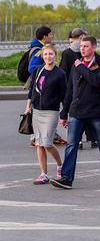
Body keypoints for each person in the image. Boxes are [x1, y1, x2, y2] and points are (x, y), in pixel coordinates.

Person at [52, 35, 100, 189]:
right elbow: (70, 90)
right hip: (77, 111)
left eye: (86, 46)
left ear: (94, 47)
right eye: (81, 46)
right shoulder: (76, 64)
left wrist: (81, 67)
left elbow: (97, 83)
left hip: (96, 111)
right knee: (71, 145)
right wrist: (64, 112)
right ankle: (66, 178)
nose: (83, 49)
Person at [25, 45, 66, 185]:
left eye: (51, 54)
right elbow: (32, 89)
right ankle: (43, 174)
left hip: (51, 112)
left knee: (47, 143)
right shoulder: (38, 70)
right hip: (36, 111)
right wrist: (28, 105)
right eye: (46, 54)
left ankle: (60, 166)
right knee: (39, 144)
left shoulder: (60, 74)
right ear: (42, 56)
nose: (48, 57)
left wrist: (64, 114)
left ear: (55, 56)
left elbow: (64, 95)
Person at [59, 28, 96, 149]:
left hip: (86, 84)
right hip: (74, 86)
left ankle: (91, 137)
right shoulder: (68, 53)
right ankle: (78, 140)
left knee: (88, 113)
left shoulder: (84, 50)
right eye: (82, 38)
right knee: (75, 114)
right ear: (78, 38)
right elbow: (64, 71)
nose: (83, 44)